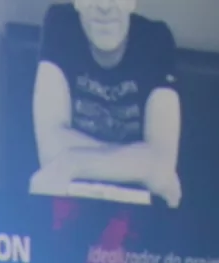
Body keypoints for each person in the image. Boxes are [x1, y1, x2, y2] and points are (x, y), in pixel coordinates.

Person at [29, 0, 183, 208]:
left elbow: (162, 163)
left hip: (138, 210)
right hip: (73, 204)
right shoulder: (61, 25)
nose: (104, 6)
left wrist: (73, 162)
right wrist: (142, 161)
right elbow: (50, 149)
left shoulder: (155, 39)